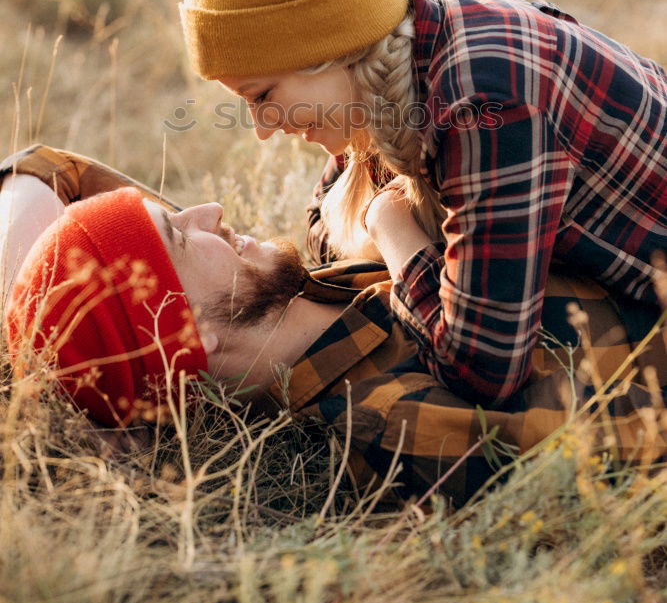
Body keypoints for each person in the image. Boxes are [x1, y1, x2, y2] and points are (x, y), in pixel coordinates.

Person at [180, 0, 667, 409]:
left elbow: (483, 370)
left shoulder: (483, 103)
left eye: (263, 95)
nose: (262, 127)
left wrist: (389, 228)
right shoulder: (397, 44)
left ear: (324, 48)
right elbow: (322, 225)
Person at [1, 144, 665, 506]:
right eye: (179, 232)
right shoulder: (388, 423)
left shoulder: (288, 287)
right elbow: (615, 449)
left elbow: (48, 168)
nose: (208, 208)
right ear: (185, 333)